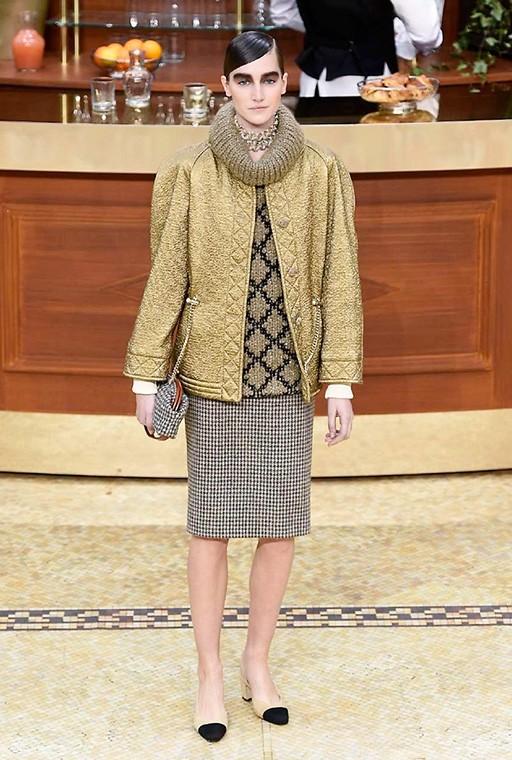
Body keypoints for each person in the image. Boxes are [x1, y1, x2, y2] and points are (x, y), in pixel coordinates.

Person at [124, 31, 363, 743]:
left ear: (285, 82)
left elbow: (340, 278)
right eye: (244, 80)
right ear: (224, 87)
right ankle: (209, 673)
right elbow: (167, 275)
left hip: (287, 373)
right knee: (211, 527)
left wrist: (340, 381)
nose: (258, 92)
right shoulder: (188, 172)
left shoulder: (322, 170)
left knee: (280, 527)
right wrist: (146, 370)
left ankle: (257, 664)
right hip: (214, 373)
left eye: (269, 78)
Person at [270, 0, 444, 97]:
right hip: (377, 83)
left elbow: (282, 14)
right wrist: (418, 47)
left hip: (317, 79)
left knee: (318, 148)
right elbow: (426, 34)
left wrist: (325, 32)